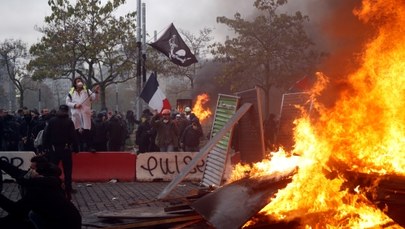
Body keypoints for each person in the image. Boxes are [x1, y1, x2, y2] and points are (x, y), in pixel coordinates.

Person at [0, 155, 81, 229]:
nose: (29, 171)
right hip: (61, 219)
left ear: (39, 171)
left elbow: (17, 210)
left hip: (63, 224)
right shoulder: (46, 179)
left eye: (32, 169)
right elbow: (16, 172)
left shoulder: (40, 188)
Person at [42, 104, 79, 200]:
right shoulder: (69, 122)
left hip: (54, 149)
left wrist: (45, 147)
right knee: (67, 170)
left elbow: (46, 134)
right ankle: (68, 187)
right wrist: (76, 148)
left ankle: (52, 187)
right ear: (67, 111)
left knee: (53, 169)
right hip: (66, 149)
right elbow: (73, 136)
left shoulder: (52, 121)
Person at [65, 77, 99, 151]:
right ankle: (75, 148)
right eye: (78, 81)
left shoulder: (87, 90)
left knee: (87, 130)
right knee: (76, 131)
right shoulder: (71, 92)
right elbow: (67, 102)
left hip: (85, 114)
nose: (79, 82)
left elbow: (94, 98)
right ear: (75, 83)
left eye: (80, 81)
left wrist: (96, 92)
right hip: (76, 114)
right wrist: (75, 105)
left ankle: (89, 147)